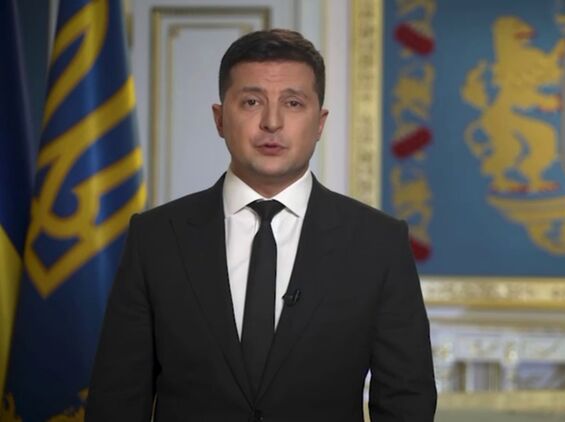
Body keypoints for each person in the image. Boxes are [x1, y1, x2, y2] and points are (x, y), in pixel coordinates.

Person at [86, 29, 437, 421]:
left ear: (320, 123)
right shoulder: (155, 238)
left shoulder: (378, 243)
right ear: (220, 118)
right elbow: (116, 400)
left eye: (293, 103)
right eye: (251, 102)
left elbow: (407, 401)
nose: (272, 122)